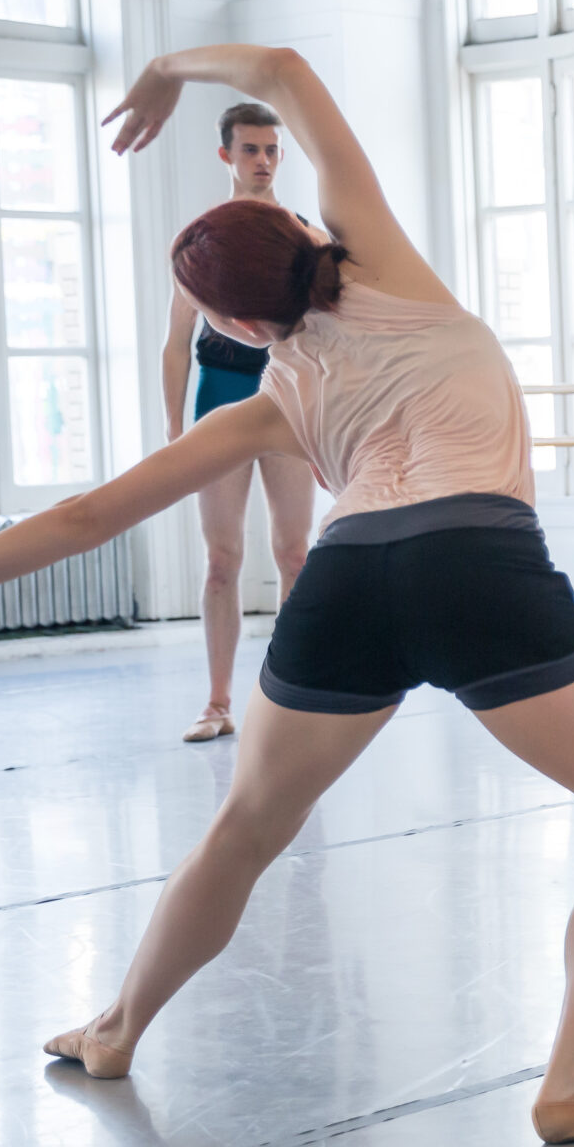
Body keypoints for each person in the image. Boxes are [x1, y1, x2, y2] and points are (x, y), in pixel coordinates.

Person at [0, 44, 574, 1144]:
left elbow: (81, 518)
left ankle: (119, 1026)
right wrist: (172, 70)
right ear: (306, 238)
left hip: (348, 580)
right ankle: (573, 1079)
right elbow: (282, 67)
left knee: (243, 831)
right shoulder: (388, 269)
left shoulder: (268, 404)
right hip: (477, 562)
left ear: (234, 325)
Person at [158, 101, 321, 742]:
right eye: (250, 149)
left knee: (293, 553)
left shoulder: (303, 235)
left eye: (272, 150)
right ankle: (218, 702)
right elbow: (175, 341)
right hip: (219, 400)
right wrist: (175, 433)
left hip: (284, 403)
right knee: (221, 559)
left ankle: (293, 697)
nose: (262, 161)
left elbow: (324, 340)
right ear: (226, 155)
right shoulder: (202, 239)